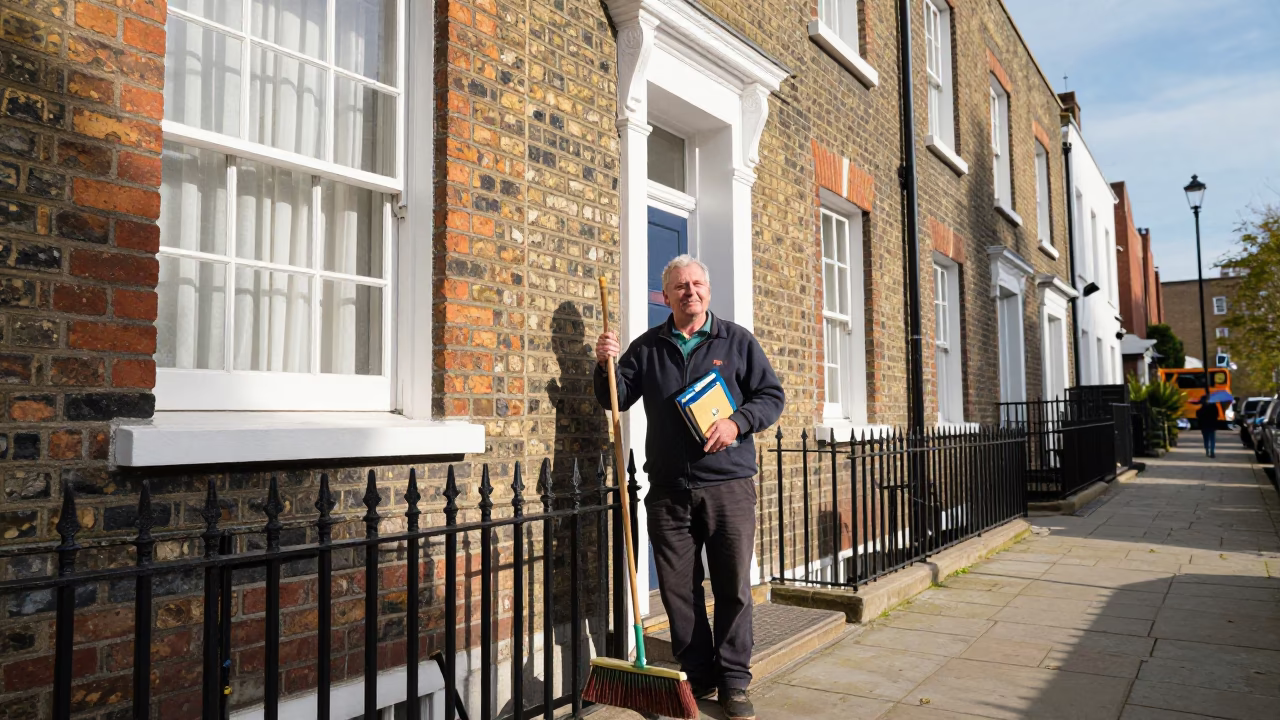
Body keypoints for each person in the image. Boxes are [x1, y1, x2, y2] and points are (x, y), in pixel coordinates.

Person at [595, 255, 784, 720]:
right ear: (666, 296)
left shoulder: (736, 341)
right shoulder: (648, 347)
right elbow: (612, 399)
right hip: (668, 491)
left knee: (733, 587)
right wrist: (605, 365)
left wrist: (738, 424)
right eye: (680, 286)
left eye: (697, 284)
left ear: (708, 291)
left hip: (729, 486)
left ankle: (735, 682)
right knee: (680, 590)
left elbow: (771, 396)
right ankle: (696, 674)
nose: (690, 292)